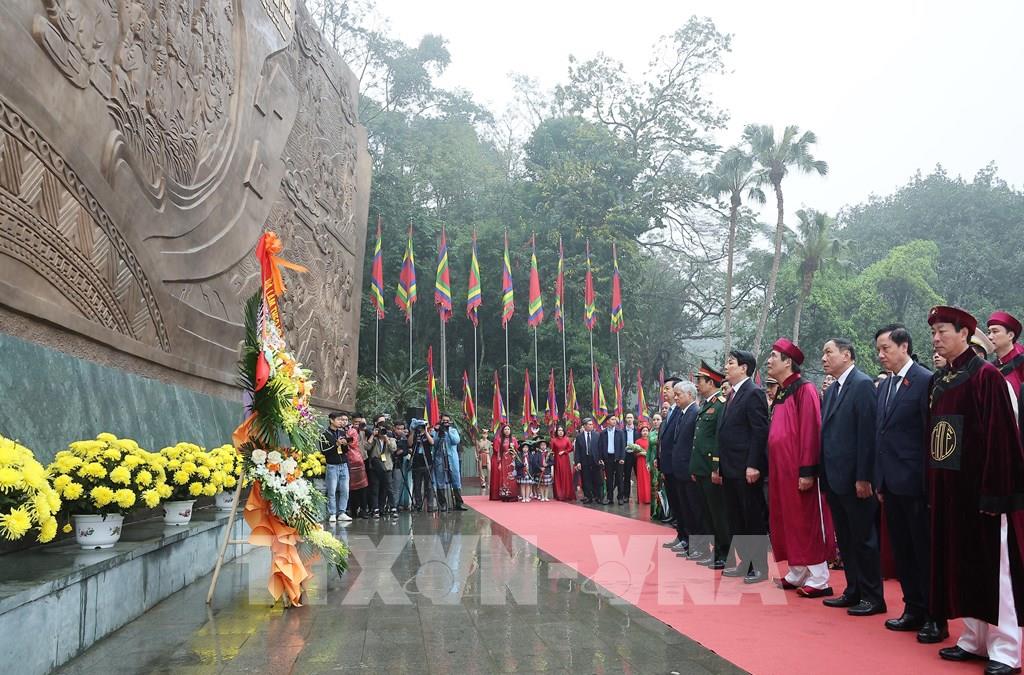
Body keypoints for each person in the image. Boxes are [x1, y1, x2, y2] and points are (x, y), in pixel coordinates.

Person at [926, 306, 1024, 674]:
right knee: (962, 565)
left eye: (943, 331)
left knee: (996, 570)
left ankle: (1006, 649)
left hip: (982, 493)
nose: (936, 339)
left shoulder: (987, 377)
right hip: (951, 491)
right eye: (933, 332)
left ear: (964, 333)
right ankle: (974, 638)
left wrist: (997, 492)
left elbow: (1002, 438)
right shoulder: (942, 380)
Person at [874, 324, 947, 642]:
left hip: (916, 484)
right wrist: (879, 479)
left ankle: (935, 616)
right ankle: (913, 607)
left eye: (886, 348)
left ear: (904, 346)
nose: (881, 355)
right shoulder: (886, 385)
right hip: (891, 484)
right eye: (878, 349)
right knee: (902, 550)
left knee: (923, 552)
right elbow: (881, 435)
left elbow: (929, 434)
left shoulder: (924, 380)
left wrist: (928, 483)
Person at [765, 339, 836, 597]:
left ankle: (819, 577)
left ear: (788, 362)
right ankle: (797, 571)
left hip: (798, 469)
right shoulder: (783, 391)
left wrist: (807, 470)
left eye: (774, 356)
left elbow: (810, 431)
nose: (769, 361)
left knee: (806, 520)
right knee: (787, 519)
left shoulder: (804, 389)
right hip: (780, 470)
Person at [820, 338, 885, 616]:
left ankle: (873, 596)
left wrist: (864, 477)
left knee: (864, 538)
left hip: (856, 479)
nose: (824, 358)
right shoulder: (833, 390)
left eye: (829, 352)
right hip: (835, 478)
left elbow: (867, 434)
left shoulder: (862, 384)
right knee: (845, 538)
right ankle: (853, 589)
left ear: (846, 355)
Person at [717, 350, 770, 584]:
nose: (726, 367)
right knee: (736, 518)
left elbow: (759, 431)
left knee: (752, 518)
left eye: (730, 363)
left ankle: (759, 567)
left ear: (744, 368)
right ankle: (745, 562)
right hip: (730, 468)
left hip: (746, 469)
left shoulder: (753, 392)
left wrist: (753, 464)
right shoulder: (732, 394)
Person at [691, 360, 731, 570]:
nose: (697, 384)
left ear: (711, 382)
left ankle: (725, 554)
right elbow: (698, 440)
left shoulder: (720, 405)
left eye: (700, 380)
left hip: (711, 468)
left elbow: (718, 439)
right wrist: (694, 467)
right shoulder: (706, 405)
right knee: (707, 513)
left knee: (718, 514)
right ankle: (715, 552)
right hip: (701, 467)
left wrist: (716, 467)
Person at [670, 380, 709, 562]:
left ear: (690, 395)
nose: (676, 397)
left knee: (696, 511)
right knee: (686, 511)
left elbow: (696, 444)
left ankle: (701, 547)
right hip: (680, 471)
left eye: (679, 394)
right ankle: (691, 545)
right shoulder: (683, 413)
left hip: (690, 471)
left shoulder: (694, 412)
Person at [659, 377, 688, 552]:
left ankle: (686, 537)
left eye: (668, 389)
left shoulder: (680, 411)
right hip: (668, 467)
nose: (665, 392)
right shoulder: (669, 412)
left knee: (683, 505)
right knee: (676, 505)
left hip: (677, 466)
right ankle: (681, 535)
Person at [431, 413, 467, 512]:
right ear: (440, 421)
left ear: (450, 422)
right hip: (440, 458)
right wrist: (439, 432)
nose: (445, 423)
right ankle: (442, 504)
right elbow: (434, 443)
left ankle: (459, 503)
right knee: (440, 480)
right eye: (444, 421)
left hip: (452, 459)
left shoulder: (453, 430)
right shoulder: (436, 431)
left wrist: (448, 432)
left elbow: (456, 441)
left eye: (447, 421)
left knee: (456, 479)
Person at [320, 412, 352, 523]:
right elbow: (324, 451)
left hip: (343, 464)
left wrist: (345, 444)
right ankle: (332, 513)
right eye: (338, 420)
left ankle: (342, 512)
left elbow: (345, 451)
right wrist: (336, 445)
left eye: (341, 420)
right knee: (332, 490)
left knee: (345, 490)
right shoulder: (324, 434)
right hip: (332, 465)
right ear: (331, 420)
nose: (340, 422)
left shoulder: (342, 432)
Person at [365, 414, 397, 518]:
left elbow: (393, 449)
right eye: (380, 423)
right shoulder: (373, 438)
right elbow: (366, 447)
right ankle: (375, 509)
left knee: (388, 488)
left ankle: (391, 507)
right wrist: (373, 435)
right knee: (375, 488)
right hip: (375, 467)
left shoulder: (390, 437)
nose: (382, 426)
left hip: (387, 467)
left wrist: (386, 438)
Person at [598, 414, 626, 504]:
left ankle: (620, 497)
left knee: (619, 478)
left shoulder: (620, 432)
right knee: (609, 479)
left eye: (615, 419)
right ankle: (610, 498)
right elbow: (600, 446)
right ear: (607, 421)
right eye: (612, 419)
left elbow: (623, 446)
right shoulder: (603, 433)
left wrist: (622, 458)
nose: (614, 421)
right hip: (608, 458)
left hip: (618, 458)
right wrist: (600, 458)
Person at [409, 419, 436, 512]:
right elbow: (409, 444)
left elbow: (432, 442)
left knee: (429, 486)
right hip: (417, 464)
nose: (420, 428)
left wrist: (426, 431)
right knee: (417, 486)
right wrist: (413, 431)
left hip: (427, 463)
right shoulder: (415, 434)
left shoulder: (428, 434)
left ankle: (430, 505)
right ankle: (418, 505)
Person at [574, 418, 601, 504]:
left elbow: (600, 448)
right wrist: (577, 462)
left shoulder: (597, 435)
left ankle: (598, 497)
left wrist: (600, 459)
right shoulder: (579, 437)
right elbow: (577, 451)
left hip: (595, 460)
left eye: (592, 424)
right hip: (584, 460)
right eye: (589, 424)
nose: (591, 426)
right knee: (586, 479)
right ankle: (588, 497)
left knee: (597, 479)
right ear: (584, 426)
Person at [491, 424, 519, 502]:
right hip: (504, 461)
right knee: (504, 478)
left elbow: (517, 450)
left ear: (510, 431)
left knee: (512, 477)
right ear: (503, 431)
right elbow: (499, 453)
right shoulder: (500, 440)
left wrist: (514, 454)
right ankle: (505, 495)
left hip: (512, 461)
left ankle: (513, 495)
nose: (507, 431)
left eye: (508, 429)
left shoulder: (514, 439)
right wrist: (499, 463)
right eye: (505, 429)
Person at [649, 412, 668, 520]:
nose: (656, 422)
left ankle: (663, 512)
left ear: (662, 421)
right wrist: (648, 462)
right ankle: (654, 512)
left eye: (658, 419)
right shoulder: (651, 433)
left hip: (661, 462)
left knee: (662, 487)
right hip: (653, 463)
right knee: (653, 487)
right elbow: (648, 450)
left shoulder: (665, 432)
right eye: (654, 420)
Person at [391, 422, 412, 512]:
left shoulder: (404, 439)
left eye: (402, 429)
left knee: (398, 486)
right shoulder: (390, 436)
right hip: (388, 464)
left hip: (399, 464)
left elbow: (405, 450)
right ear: (394, 428)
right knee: (390, 487)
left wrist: (402, 451)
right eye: (398, 429)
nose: (400, 431)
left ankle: (395, 506)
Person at [551, 425, 575, 501]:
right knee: (558, 475)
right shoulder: (553, 440)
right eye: (559, 430)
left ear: (563, 431)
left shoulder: (567, 439)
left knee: (566, 475)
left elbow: (571, 448)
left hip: (565, 460)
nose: (560, 432)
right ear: (557, 432)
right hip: (557, 459)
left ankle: (567, 494)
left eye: (561, 430)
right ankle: (559, 494)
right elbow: (552, 450)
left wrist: (564, 451)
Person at [622, 413, 640, 503]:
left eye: (631, 417)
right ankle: (626, 496)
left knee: (638, 476)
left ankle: (640, 496)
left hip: (636, 455)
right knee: (627, 476)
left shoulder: (637, 431)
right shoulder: (622, 431)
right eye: (628, 417)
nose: (629, 419)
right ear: (625, 419)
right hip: (626, 455)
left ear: (633, 419)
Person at [634, 423, 652, 505]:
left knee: (649, 479)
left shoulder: (651, 440)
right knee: (641, 479)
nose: (645, 432)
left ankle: (649, 498)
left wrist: (647, 454)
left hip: (649, 462)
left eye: (646, 431)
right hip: (640, 462)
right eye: (643, 431)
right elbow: (635, 454)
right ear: (641, 432)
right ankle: (641, 498)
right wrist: (641, 453)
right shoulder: (637, 441)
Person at [475, 428, 491, 492]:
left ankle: (489, 483)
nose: (485, 435)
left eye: (486, 434)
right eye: (484, 433)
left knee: (489, 469)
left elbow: (490, 450)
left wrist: (487, 451)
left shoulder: (489, 442)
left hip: (487, 455)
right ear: (482, 434)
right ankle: (483, 482)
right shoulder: (479, 441)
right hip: (481, 455)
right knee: (481, 469)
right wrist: (476, 456)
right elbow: (476, 450)